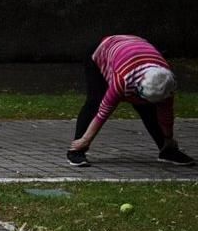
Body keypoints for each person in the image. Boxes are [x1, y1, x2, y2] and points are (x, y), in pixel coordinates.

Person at [69, 35, 192, 167]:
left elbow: (166, 112)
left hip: (134, 50)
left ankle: (167, 150)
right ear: (139, 86)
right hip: (102, 50)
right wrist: (86, 139)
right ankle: (77, 149)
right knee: (95, 102)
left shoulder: (167, 81)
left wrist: (169, 138)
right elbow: (104, 111)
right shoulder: (123, 80)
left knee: (148, 109)